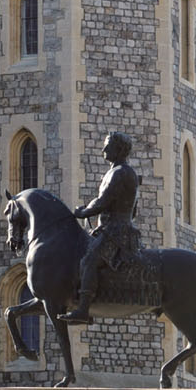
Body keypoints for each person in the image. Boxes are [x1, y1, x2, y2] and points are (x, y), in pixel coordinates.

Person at [59, 132, 139, 323]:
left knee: (89, 260)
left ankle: (83, 311)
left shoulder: (121, 173)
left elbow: (103, 201)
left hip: (117, 231)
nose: (104, 149)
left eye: (108, 145)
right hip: (111, 228)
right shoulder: (117, 171)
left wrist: (83, 212)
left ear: (118, 149)